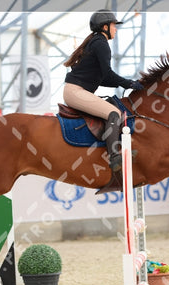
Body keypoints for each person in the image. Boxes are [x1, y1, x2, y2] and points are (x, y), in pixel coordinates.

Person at [63, 9, 144, 173]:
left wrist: (128, 83)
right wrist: (128, 83)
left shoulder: (96, 41)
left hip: (74, 91)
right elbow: (107, 73)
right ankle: (114, 157)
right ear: (105, 26)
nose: (116, 29)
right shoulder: (101, 44)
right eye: (114, 25)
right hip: (75, 92)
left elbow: (103, 78)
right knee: (114, 113)